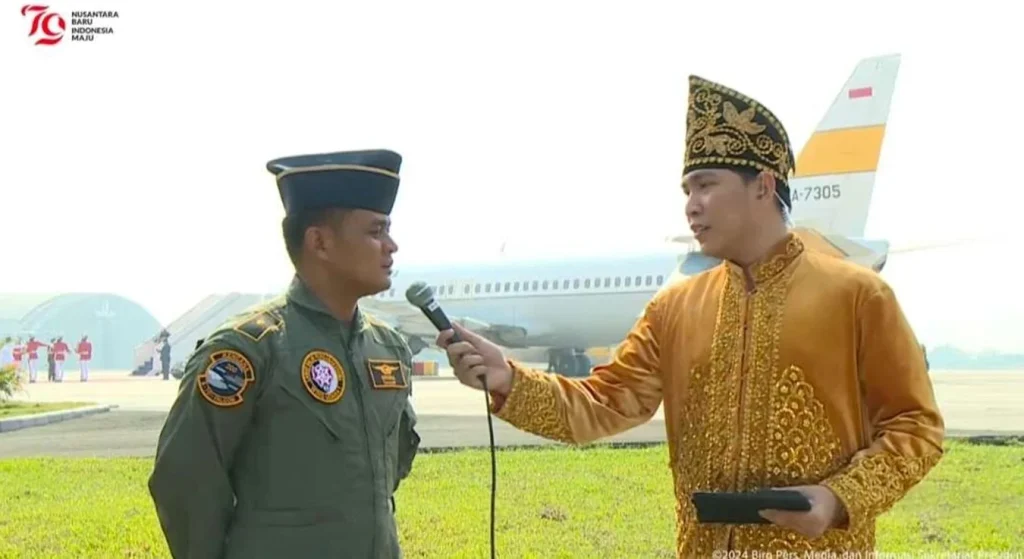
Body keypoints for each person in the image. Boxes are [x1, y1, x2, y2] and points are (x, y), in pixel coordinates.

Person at [438, 75, 945, 556]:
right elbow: (604, 402)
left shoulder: (858, 296)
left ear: (763, 186)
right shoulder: (675, 307)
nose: (691, 207)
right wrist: (509, 379)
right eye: (687, 191)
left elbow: (916, 426)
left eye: (705, 185)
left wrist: (838, 499)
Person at [148, 149, 420, 559]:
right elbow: (186, 481)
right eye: (376, 231)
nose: (392, 246)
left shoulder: (388, 349)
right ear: (320, 242)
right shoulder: (247, 350)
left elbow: (386, 469)